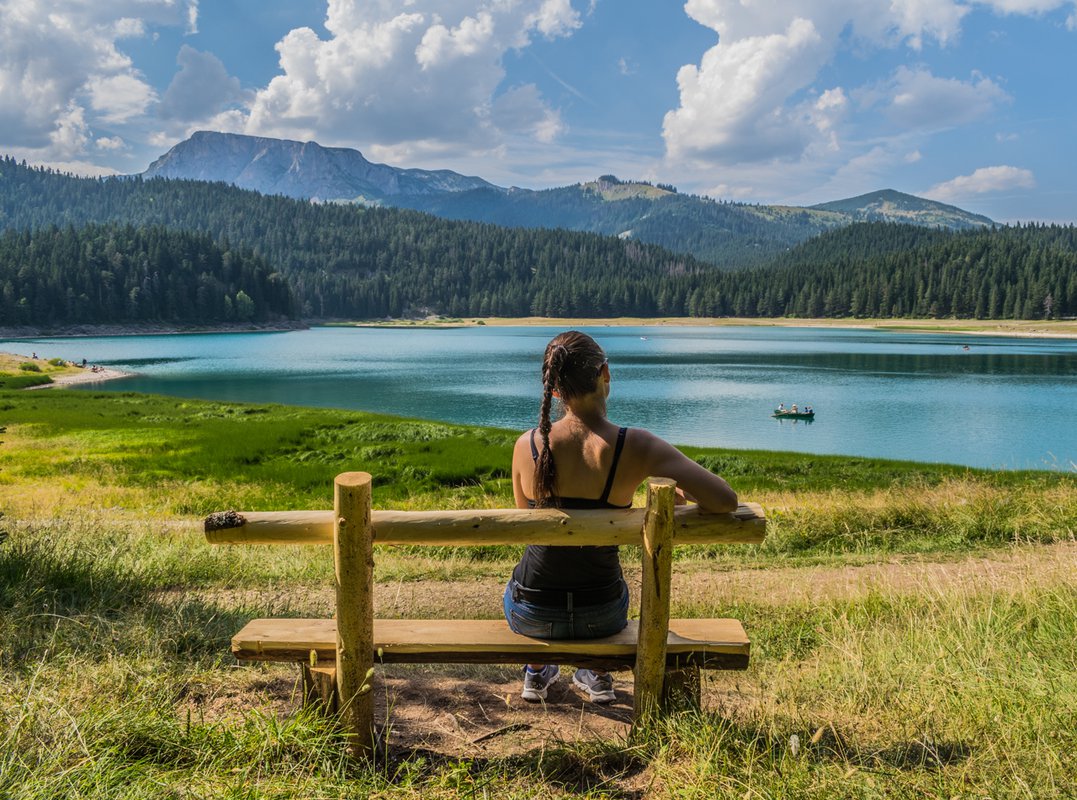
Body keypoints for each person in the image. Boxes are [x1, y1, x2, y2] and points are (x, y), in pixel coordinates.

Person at [504, 331, 738, 704]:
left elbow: (529, 529)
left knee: (528, 574)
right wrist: (670, 499)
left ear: (556, 390)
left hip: (533, 613)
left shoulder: (527, 445)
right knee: (603, 582)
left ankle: (537, 668)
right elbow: (724, 500)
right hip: (603, 614)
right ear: (605, 375)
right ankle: (596, 673)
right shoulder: (637, 446)